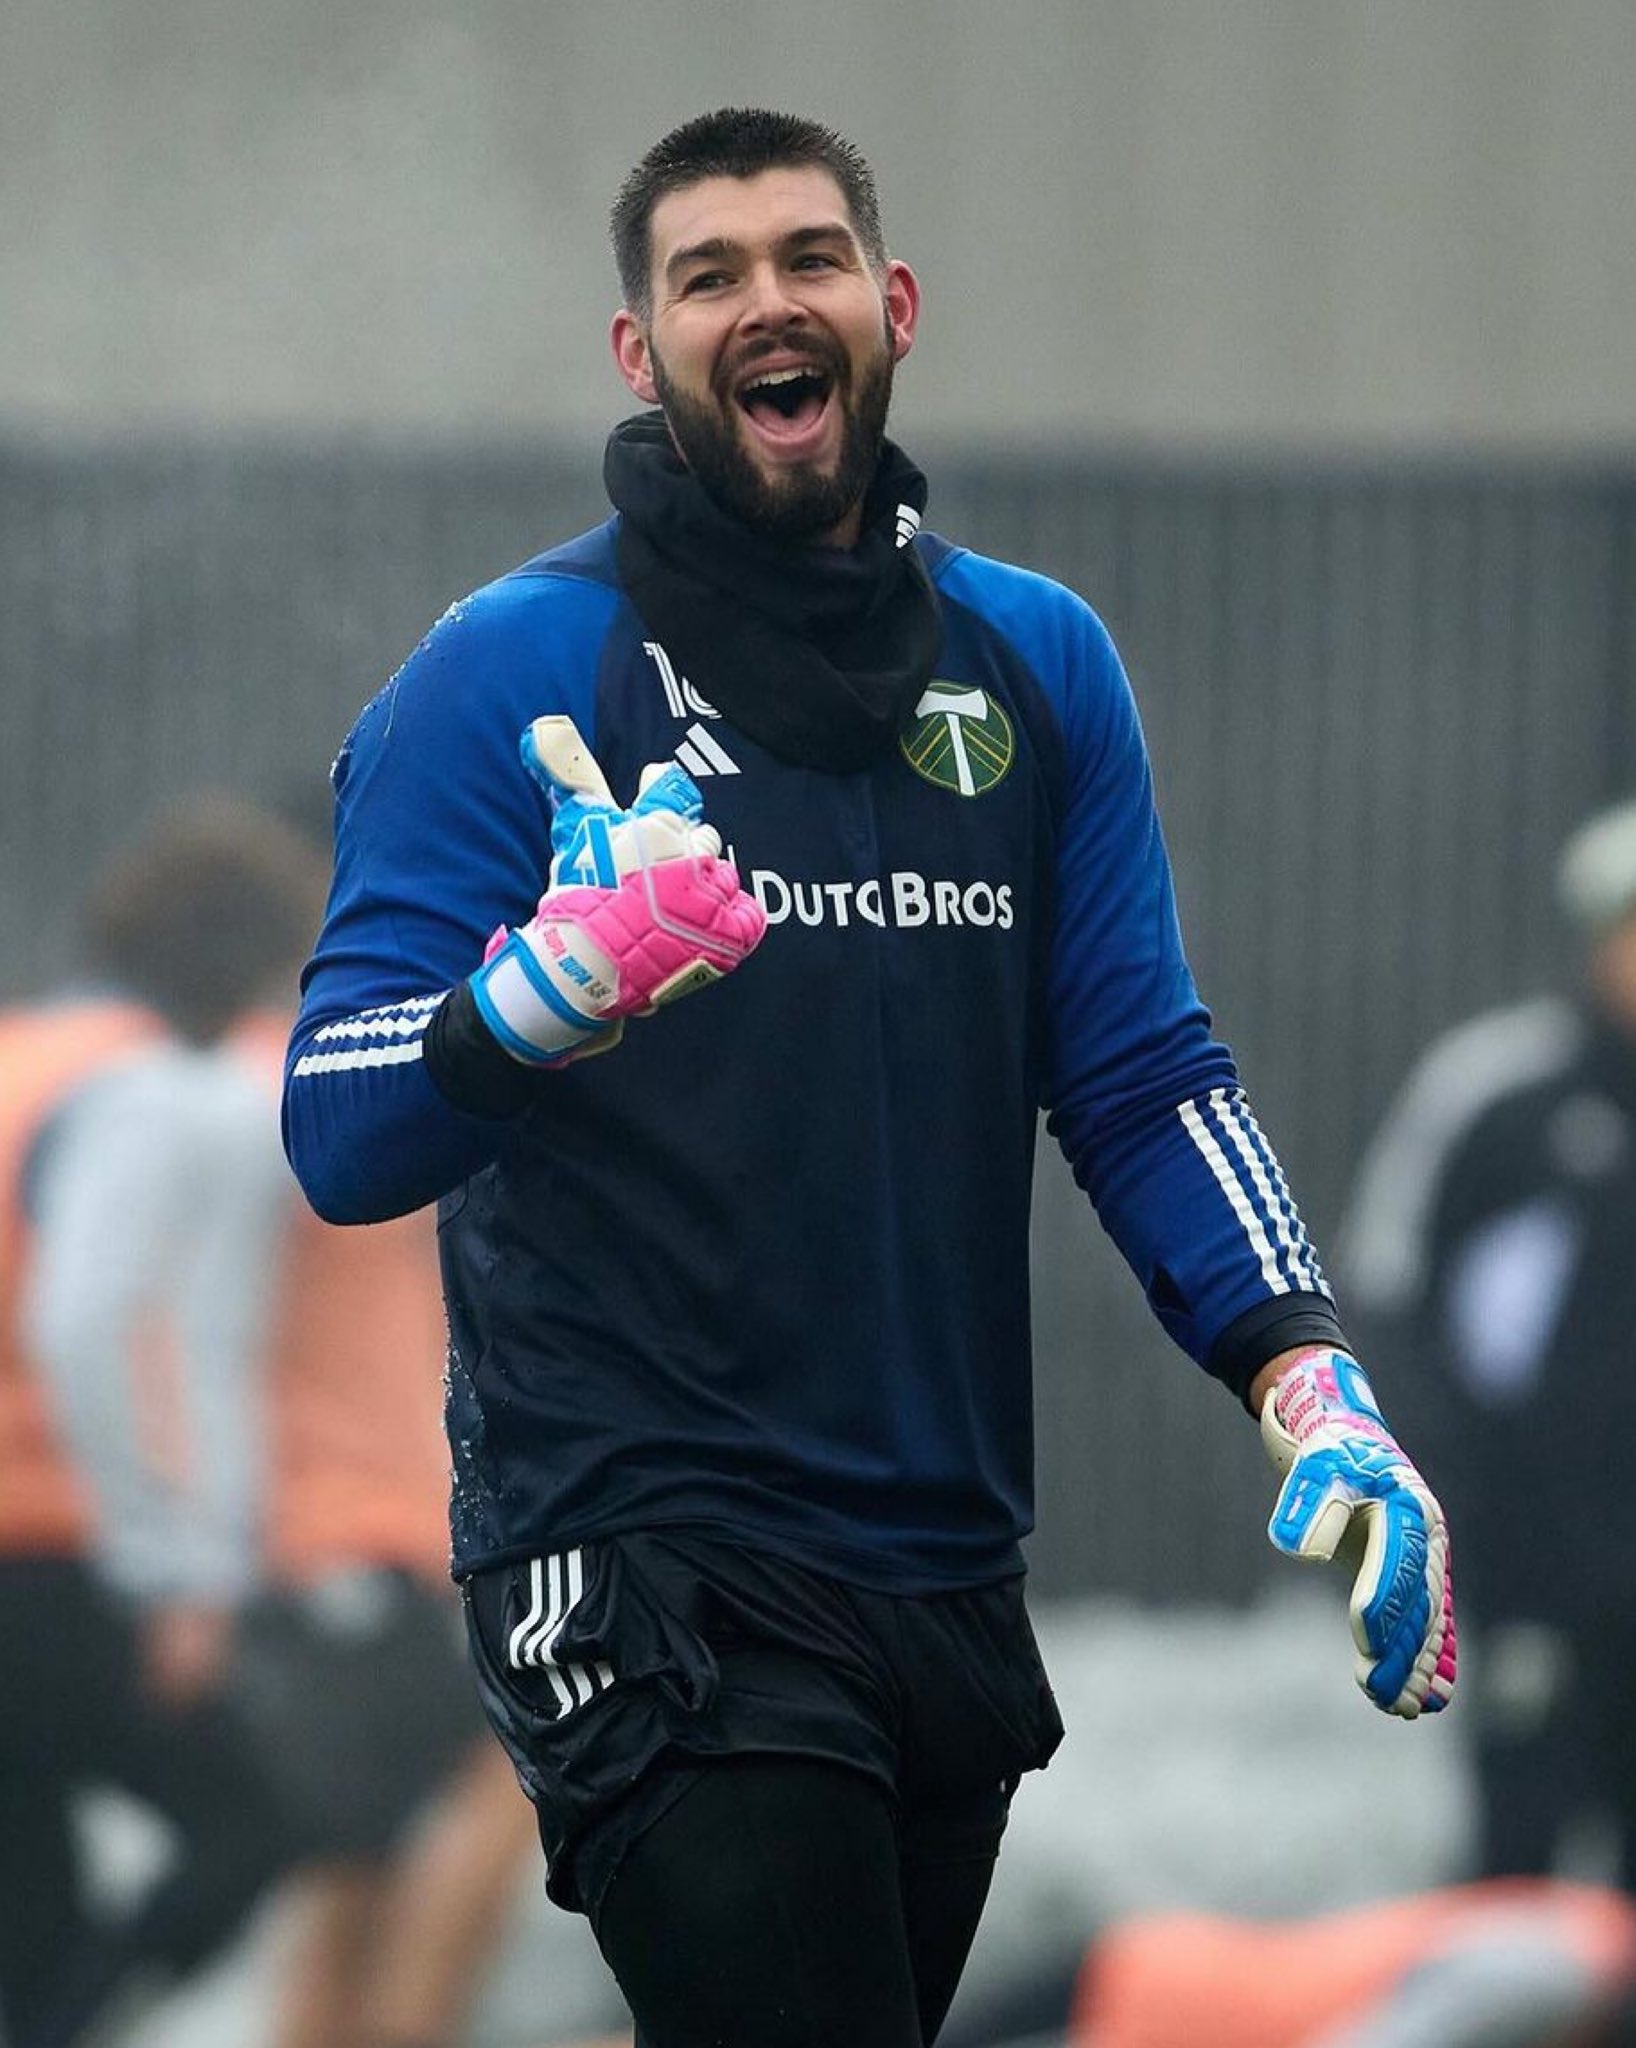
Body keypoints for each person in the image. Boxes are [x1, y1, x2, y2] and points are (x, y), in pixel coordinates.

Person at [282, 107, 1456, 2048]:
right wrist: (532, 999)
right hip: (641, 1549)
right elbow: (335, 1120)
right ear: (640, 348)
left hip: (939, 1572)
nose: (768, 300)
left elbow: (1142, 1073)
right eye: (709, 275)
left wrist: (1306, 1376)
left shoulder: (1034, 660)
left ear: (890, 306)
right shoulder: (510, 670)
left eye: (808, 258)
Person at [13, 800, 540, 2048]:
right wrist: (192, 1547)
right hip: (306, 1528)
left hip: (259, 1527)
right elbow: (146, 1318)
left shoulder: (78, 1062)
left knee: (347, 1845)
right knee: (489, 1772)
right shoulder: (268, 1094)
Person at [2, 801, 316, 2048]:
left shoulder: (20, 1050)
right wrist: (178, 1565)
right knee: (250, 1821)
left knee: (31, 1901)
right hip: (56, 1534)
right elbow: (94, 1320)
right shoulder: (151, 1087)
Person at [1340, 795, 1636, 1885]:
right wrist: (1439, 1503)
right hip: (1532, 1566)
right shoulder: (1499, 1097)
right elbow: (1385, 1292)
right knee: (1519, 1863)